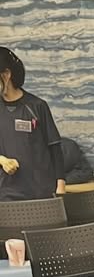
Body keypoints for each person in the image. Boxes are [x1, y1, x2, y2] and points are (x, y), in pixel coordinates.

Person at [0, 47, 66, 202]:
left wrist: (61, 187)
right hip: (7, 192)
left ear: (6, 74)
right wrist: (2, 160)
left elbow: (55, 148)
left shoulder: (37, 106)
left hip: (41, 191)